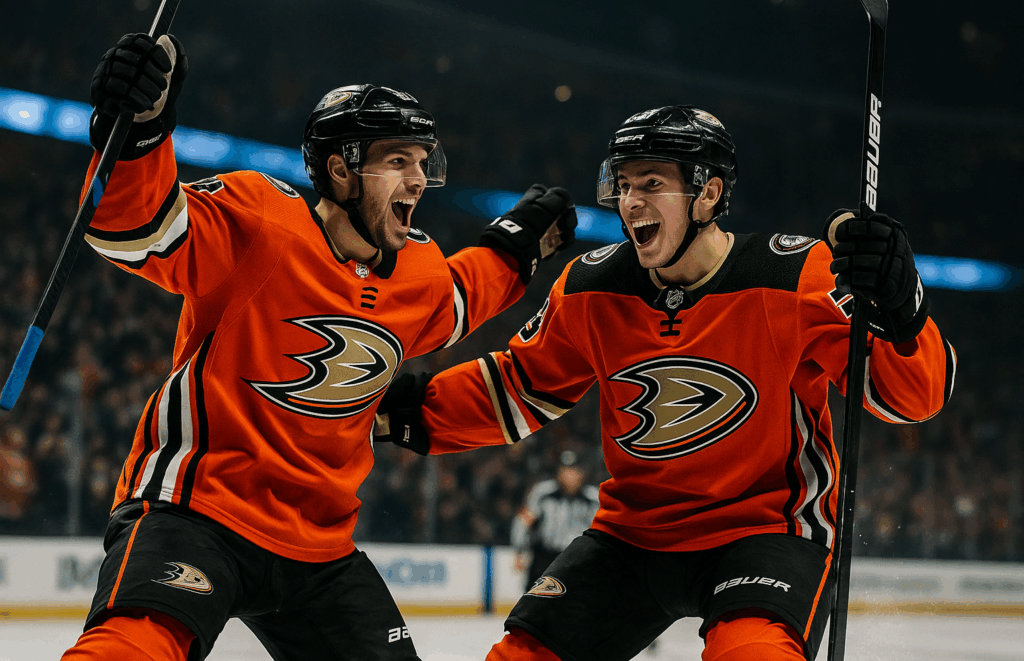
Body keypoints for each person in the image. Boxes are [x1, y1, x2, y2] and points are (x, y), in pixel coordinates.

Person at [61, 33, 576, 661]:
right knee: (132, 648)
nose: (418, 180)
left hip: (318, 546)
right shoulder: (260, 222)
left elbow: (463, 294)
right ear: (340, 170)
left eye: (423, 162)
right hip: (195, 512)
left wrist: (517, 243)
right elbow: (132, 229)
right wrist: (140, 127)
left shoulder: (416, 269)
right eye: (398, 162)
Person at [376, 105, 957, 661]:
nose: (630, 202)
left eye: (650, 183)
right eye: (623, 184)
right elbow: (516, 387)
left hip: (763, 530)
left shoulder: (795, 276)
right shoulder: (589, 287)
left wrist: (903, 314)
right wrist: (391, 409)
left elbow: (911, 400)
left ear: (707, 193)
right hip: (633, 535)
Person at [511, 450, 600, 590]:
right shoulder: (543, 492)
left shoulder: (593, 498)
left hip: (578, 560)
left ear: (582, 474)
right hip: (545, 558)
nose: (569, 476)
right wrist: (519, 550)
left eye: (573, 471)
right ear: (558, 473)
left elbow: (601, 531)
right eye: (565, 471)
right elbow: (524, 521)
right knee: (534, 604)